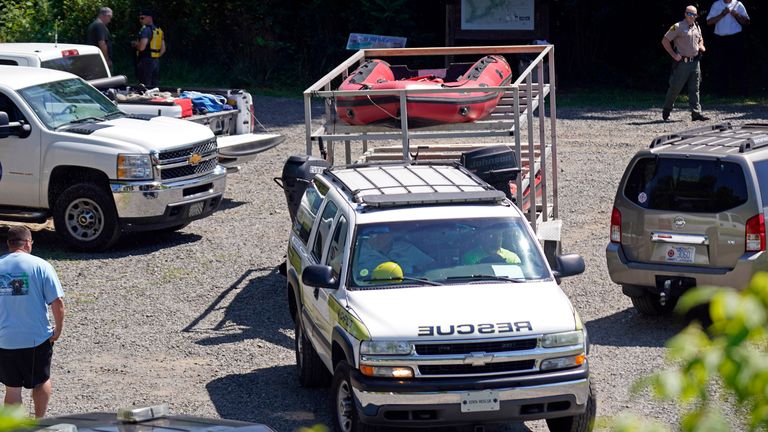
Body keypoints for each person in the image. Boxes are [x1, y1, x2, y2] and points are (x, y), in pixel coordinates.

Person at [0, 226, 64, 418]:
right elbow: (57, 302)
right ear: (28, 243)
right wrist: (58, 329)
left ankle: (15, 428)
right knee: (41, 380)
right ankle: (39, 422)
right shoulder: (41, 266)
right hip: (36, 338)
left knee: (12, 389)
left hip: (5, 339)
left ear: (9, 244)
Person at [661, 6, 710, 122]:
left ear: (696, 16)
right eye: (689, 13)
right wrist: (673, 55)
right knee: (675, 88)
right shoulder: (677, 27)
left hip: (695, 62)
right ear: (685, 14)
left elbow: (700, 39)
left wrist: (701, 46)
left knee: (695, 88)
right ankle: (667, 109)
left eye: (693, 14)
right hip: (682, 63)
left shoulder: (697, 26)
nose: (691, 16)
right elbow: (665, 40)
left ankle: (696, 113)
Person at [706, 0, 750, 96]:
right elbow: (709, 22)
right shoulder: (716, 4)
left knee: (737, 65)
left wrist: (736, 14)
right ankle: (721, 92)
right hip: (720, 39)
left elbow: (747, 22)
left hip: (735, 38)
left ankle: (739, 91)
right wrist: (722, 14)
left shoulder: (738, 4)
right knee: (721, 65)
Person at [354, 229, 434, 278]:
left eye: (381, 233)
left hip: (408, 286)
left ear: (390, 234)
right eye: (372, 233)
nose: (376, 237)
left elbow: (430, 267)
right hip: (366, 287)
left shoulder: (406, 248)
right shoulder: (357, 249)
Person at [132, 8, 165, 88]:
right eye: (139, 18)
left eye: (142, 18)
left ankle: (145, 100)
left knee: (145, 86)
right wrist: (155, 57)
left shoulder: (145, 30)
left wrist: (135, 44)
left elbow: (142, 47)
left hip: (145, 61)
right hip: (155, 61)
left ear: (149, 18)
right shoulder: (158, 31)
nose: (140, 20)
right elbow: (163, 49)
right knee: (154, 86)